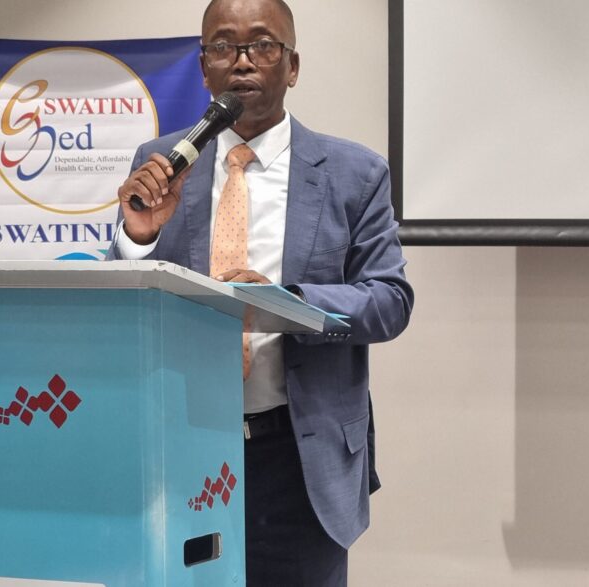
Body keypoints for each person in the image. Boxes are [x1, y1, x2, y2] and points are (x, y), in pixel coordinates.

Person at [106, 0, 414, 585]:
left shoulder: (355, 173)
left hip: (298, 458)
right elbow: (123, 308)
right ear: (203, 68)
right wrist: (138, 239)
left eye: (262, 46)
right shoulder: (161, 165)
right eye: (223, 47)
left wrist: (285, 301)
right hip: (181, 448)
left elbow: (391, 301)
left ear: (292, 66)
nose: (241, 61)